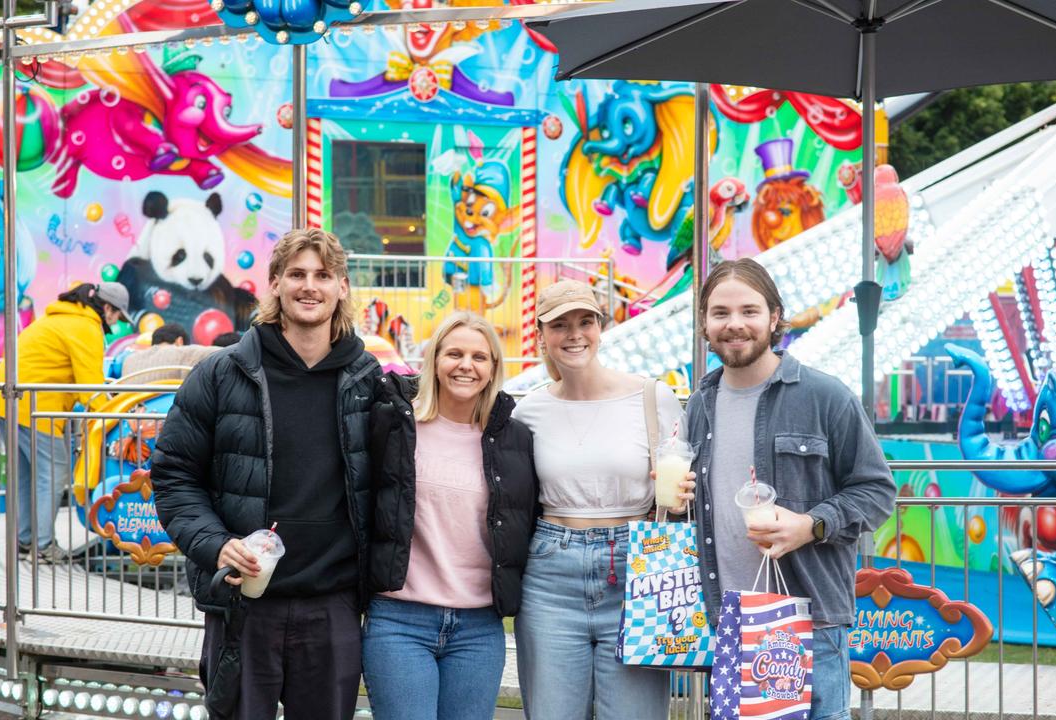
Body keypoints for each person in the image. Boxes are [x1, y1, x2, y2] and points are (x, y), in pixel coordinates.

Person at [152, 228, 383, 720]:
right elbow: (174, 475)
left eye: (324, 275)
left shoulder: (369, 380)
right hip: (244, 603)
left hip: (332, 604)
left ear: (342, 287)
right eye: (296, 274)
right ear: (274, 283)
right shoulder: (222, 374)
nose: (309, 286)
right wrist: (215, 544)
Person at [686, 258, 895, 720]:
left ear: (775, 316)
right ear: (704, 322)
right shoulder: (699, 406)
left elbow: (877, 491)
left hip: (809, 619)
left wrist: (810, 525)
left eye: (749, 311)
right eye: (720, 313)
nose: (734, 324)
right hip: (726, 625)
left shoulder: (825, 396)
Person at [511, 279, 694, 719]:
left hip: (639, 568)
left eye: (585, 321)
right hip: (551, 573)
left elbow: (681, 489)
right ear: (542, 336)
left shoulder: (654, 398)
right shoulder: (527, 411)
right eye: (560, 325)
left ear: (600, 327)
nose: (574, 334)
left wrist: (682, 497)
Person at [364, 311, 538, 720]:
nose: (466, 365)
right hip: (399, 620)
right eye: (454, 353)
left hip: (479, 628)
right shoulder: (394, 424)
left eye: (480, 357)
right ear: (434, 359)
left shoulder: (515, 440)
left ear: (494, 367)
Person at [0, 281, 130, 564]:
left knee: (25, 475)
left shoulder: (61, 318)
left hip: (7, 401)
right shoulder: (85, 327)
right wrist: (121, 413)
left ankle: (25, 542)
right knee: (54, 473)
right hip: (33, 407)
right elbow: (90, 386)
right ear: (107, 308)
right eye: (118, 315)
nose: (117, 322)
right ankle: (44, 547)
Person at [120, 323, 218, 383]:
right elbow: (218, 353)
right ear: (180, 341)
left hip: (128, 412)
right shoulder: (184, 353)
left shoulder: (129, 360)